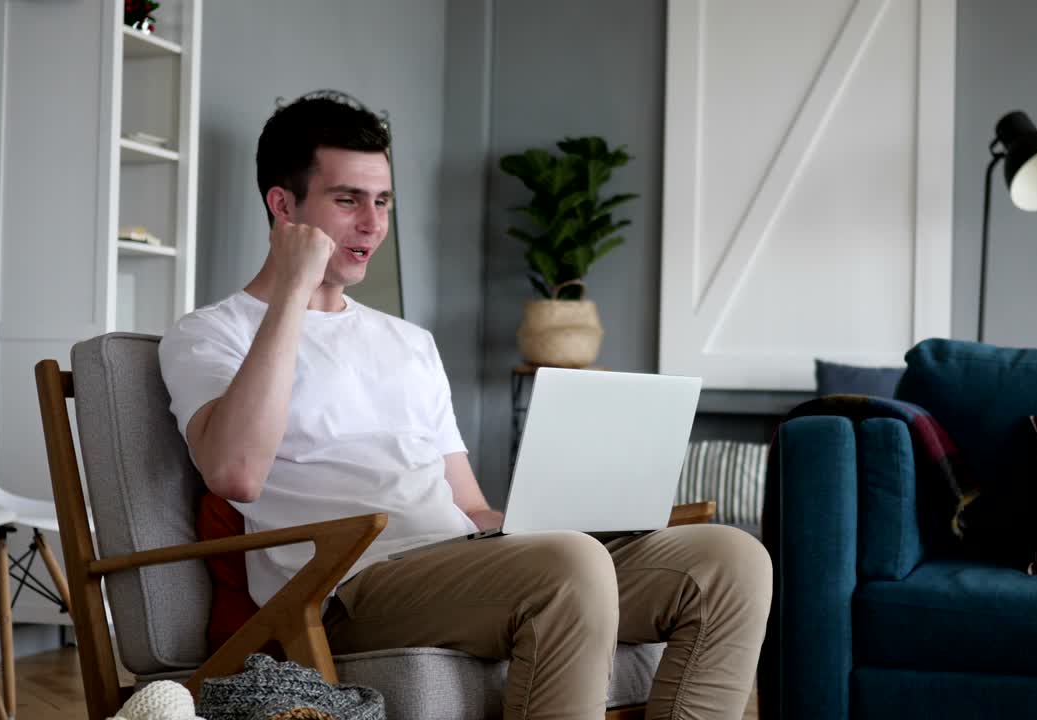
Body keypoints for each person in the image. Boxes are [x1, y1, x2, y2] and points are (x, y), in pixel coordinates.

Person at [159, 90, 772, 720]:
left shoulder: (409, 343)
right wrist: (291, 288)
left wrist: (568, 516)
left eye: (383, 201)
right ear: (283, 207)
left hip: (461, 561)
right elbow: (236, 473)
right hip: (345, 588)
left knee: (730, 562)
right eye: (347, 201)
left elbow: (470, 505)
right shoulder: (212, 334)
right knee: (569, 568)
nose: (372, 224)